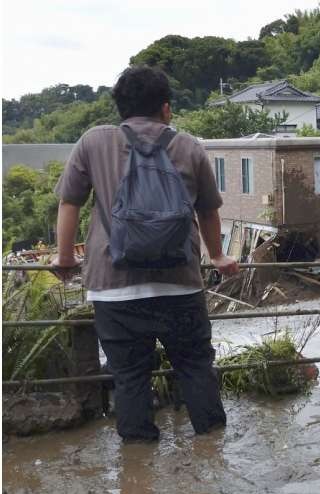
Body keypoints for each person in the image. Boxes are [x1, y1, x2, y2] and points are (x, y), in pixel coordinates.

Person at [52, 66, 239, 443]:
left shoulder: (93, 142)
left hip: (113, 287)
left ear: (119, 107)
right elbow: (208, 210)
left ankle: (137, 473)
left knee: (130, 377)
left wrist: (64, 258)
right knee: (195, 368)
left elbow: (69, 202)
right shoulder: (188, 145)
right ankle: (212, 455)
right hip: (180, 285)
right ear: (166, 109)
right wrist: (217, 256)